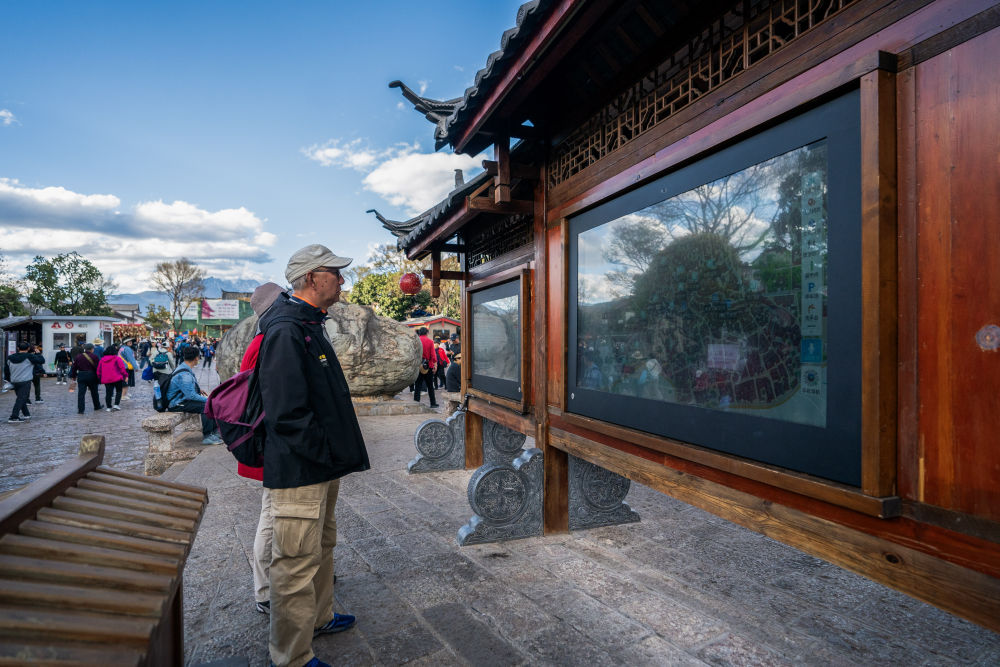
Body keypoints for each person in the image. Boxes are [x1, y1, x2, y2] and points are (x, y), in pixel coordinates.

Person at [258, 244, 370, 667]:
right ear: (310, 278)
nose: (341, 280)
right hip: (301, 467)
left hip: (320, 465)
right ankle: (291, 657)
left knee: (321, 545)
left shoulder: (308, 323)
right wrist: (322, 452)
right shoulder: (286, 330)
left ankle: (320, 617)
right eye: (334, 273)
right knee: (294, 561)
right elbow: (286, 412)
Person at [235, 282, 283, 616]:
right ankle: (264, 589)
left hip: (270, 440)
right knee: (271, 514)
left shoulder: (263, 338)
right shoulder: (265, 341)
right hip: (269, 441)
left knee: (276, 512)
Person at [165, 347, 223, 445]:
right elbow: (191, 396)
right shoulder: (185, 374)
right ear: (196, 358)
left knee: (209, 403)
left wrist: (198, 390)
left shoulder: (184, 367)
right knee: (206, 406)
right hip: (176, 403)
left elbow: (185, 387)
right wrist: (208, 399)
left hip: (181, 399)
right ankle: (208, 436)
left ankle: (215, 432)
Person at [69, 343, 103, 414]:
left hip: (81, 375)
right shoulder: (94, 356)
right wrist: (99, 377)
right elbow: (98, 368)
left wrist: (74, 376)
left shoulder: (78, 357)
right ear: (92, 349)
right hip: (92, 376)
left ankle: (81, 410)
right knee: (94, 392)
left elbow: (74, 368)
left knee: (81, 394)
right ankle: (97, 406)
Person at [5, 341, 34, 423]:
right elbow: (42, 360)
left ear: (18, 348)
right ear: (28, 348)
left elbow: (6, 370)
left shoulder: (10, 357)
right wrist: (38, 353)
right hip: (25, 381)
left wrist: (9, 380)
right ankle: (14, 417)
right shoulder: (29, 356)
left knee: (21, 398)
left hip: (14, 381)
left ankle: (26, 414)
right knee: (21, 399)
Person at [97, 343, 127, 412]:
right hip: (117, 378)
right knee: (119, 391)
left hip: (107, 379)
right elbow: (122, 368)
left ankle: (108, 407)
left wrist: (99, 377)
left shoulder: (102, 360)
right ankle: (116, 405)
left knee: (108, 393)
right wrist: (125, 375)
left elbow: (99, 370)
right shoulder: (117, 358)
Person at [413, 327, 438, 408]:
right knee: (430, 386)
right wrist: (435, 365)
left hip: (418, 365)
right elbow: (433, 355)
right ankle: (433, 403)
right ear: (427, 333)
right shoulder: (430, 341)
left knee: (417, 385)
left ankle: (416, 403)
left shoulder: (416, 341)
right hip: (428, 366)